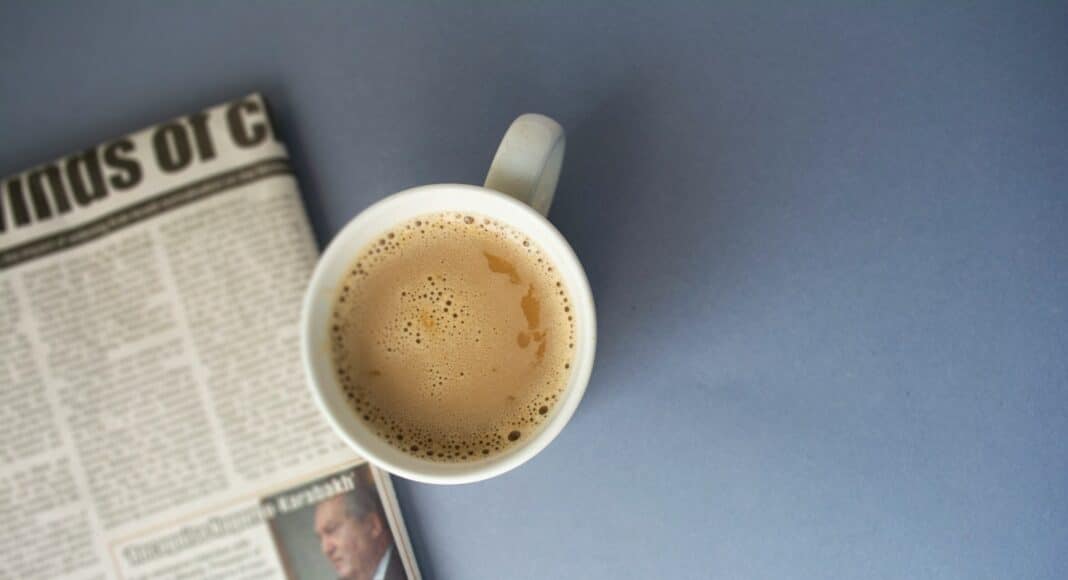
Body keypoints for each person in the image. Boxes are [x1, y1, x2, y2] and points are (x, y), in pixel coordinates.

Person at [313, 485, 405, 580]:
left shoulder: (407, 566)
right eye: (320, 538)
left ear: (373, 525)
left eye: (331, 530)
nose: (326, 549)